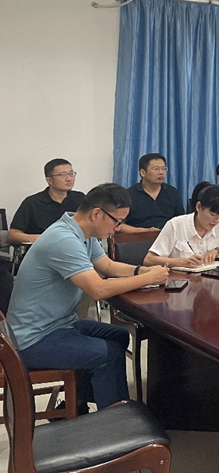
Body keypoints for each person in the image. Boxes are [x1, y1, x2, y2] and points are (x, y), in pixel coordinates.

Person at [6, 183, 170, 412]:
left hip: (60, 324)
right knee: (109, 354)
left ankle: (78, 401)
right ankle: (114, 420)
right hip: (32, 338)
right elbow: (98, 290)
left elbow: (108, 266)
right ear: (97, 214)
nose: (118, 229)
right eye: (117, 222)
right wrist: (147, 278)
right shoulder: (63, 239)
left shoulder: (83, 233)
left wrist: (143, 271)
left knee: (119, 336)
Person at [144, 185, 219, 268]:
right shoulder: (176, 225)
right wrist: (179, 262)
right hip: (180, 280)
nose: (217, 220)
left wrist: (218, 252)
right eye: (213, 215)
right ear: (198, 207)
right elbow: (149, 260)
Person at [8, 158, 86, 245]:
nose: (69, 179)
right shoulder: (32, 203)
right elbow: (13, 235)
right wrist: (43, 238)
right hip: (44, 249)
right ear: (49, 180)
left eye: (71, 174)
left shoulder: (80, 198)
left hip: (76, 247)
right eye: (63, 175)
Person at [121, 153, 184, 231]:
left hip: (168, 235)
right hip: (139, 236)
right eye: (156, 169)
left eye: (164, 168)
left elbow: (181, 220)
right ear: (143, 173)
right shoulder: (128, 195)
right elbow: (119, 225)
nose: (161, 172)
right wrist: (145, 231)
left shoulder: (172, 192)